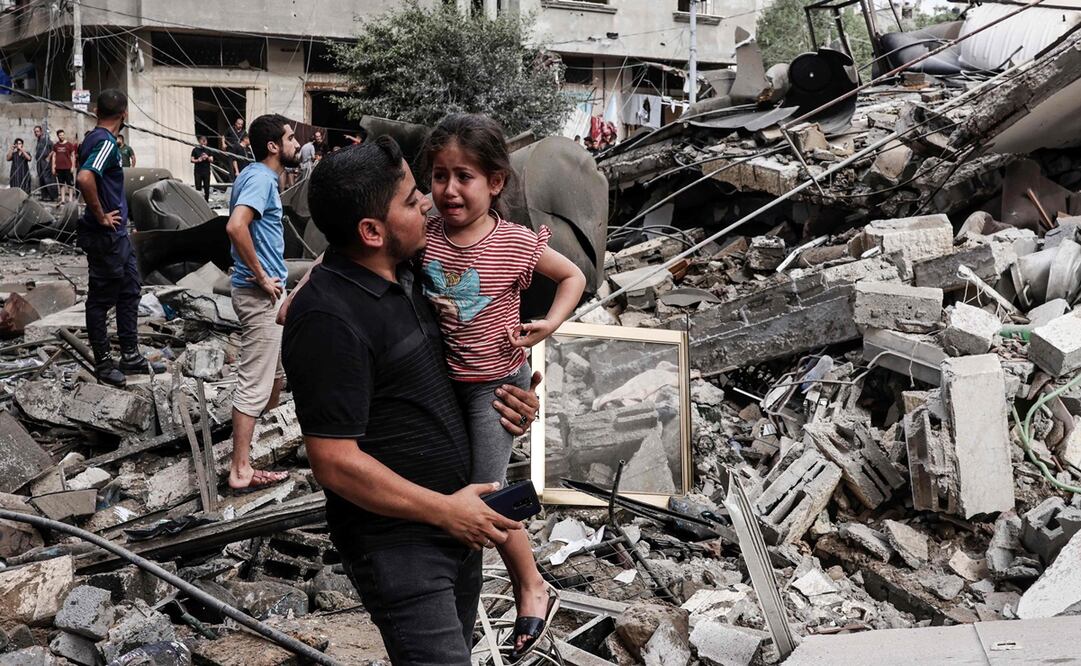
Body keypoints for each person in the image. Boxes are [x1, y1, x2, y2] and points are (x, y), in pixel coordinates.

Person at [281, 137, 542, 664]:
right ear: (372, 231)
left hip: (458, 523)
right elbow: (334, 462)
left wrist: (512, 400)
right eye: (409, 198)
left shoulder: (413, 271)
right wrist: (445, 511)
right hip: (401, 545)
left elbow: (459, 367)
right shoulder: (328, 319)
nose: (427, 200)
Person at [421, 113, 585, 658]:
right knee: (461, 488)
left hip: (496, 384)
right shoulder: (423, 235)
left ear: (495, 182)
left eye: (463, 176)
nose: (449, 189)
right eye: (439, 175)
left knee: (484, 493)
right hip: (446, 381)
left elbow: (573, 276)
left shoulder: (515, 243)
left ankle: (530, 584)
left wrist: (552, 323)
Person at [224, 114, 299, 492]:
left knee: (274, 377)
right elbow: (235, 226)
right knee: (255, 381)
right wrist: (261, 276)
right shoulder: (259, 178)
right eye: (290, 138)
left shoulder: (261, 177)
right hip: (258, 295)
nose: (296, 144)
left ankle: (259, 450)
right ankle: (240, 469)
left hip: (266, 292)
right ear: (273, 146)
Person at [74, 89, 162, 386]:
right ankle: (103, 363)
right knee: (100, 299)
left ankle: (130, 355)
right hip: (105, 234)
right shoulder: (105, 144)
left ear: (97, 110)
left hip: (117, 234)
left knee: (130, 289)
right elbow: (85, 178)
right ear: (124, 114)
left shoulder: (93, 139)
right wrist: (101, 215)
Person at [52, 129, 78, 204]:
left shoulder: (69, 145)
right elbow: (54, 156)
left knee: (70, 184)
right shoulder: (56, 145)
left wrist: (72, 166)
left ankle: (70, 199)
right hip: (59, 168)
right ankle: (63, 199)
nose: (62, 136)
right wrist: (53, 167)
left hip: (68, 167)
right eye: (60, 135)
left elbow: (73, 156)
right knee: (61, 184)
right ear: (58, 136)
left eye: (63, 135)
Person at [33, 125, 55, 201]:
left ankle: (52, 196)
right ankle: (44, 196)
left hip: (45, 162)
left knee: (47, 178)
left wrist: (49, 157)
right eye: (35, 132)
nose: (36, 133)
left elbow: (53, 148)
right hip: (39, 162)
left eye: (37, 131)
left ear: (41, 132)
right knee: (41, 178)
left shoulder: (46, 140)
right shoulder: (38, 141)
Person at [190, 135, 214, 201]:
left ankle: (206, 201)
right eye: (202, 140)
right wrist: (198, 160)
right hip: (198, 171)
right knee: (198, 187)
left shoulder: (209, 150)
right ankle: (199, 201)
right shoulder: (195, 150)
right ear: (199, 141)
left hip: (206, 171)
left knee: (207, 187)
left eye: (205, 141)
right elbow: (192, 160)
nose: (204, 142)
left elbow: (212, 160)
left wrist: (207, 157)